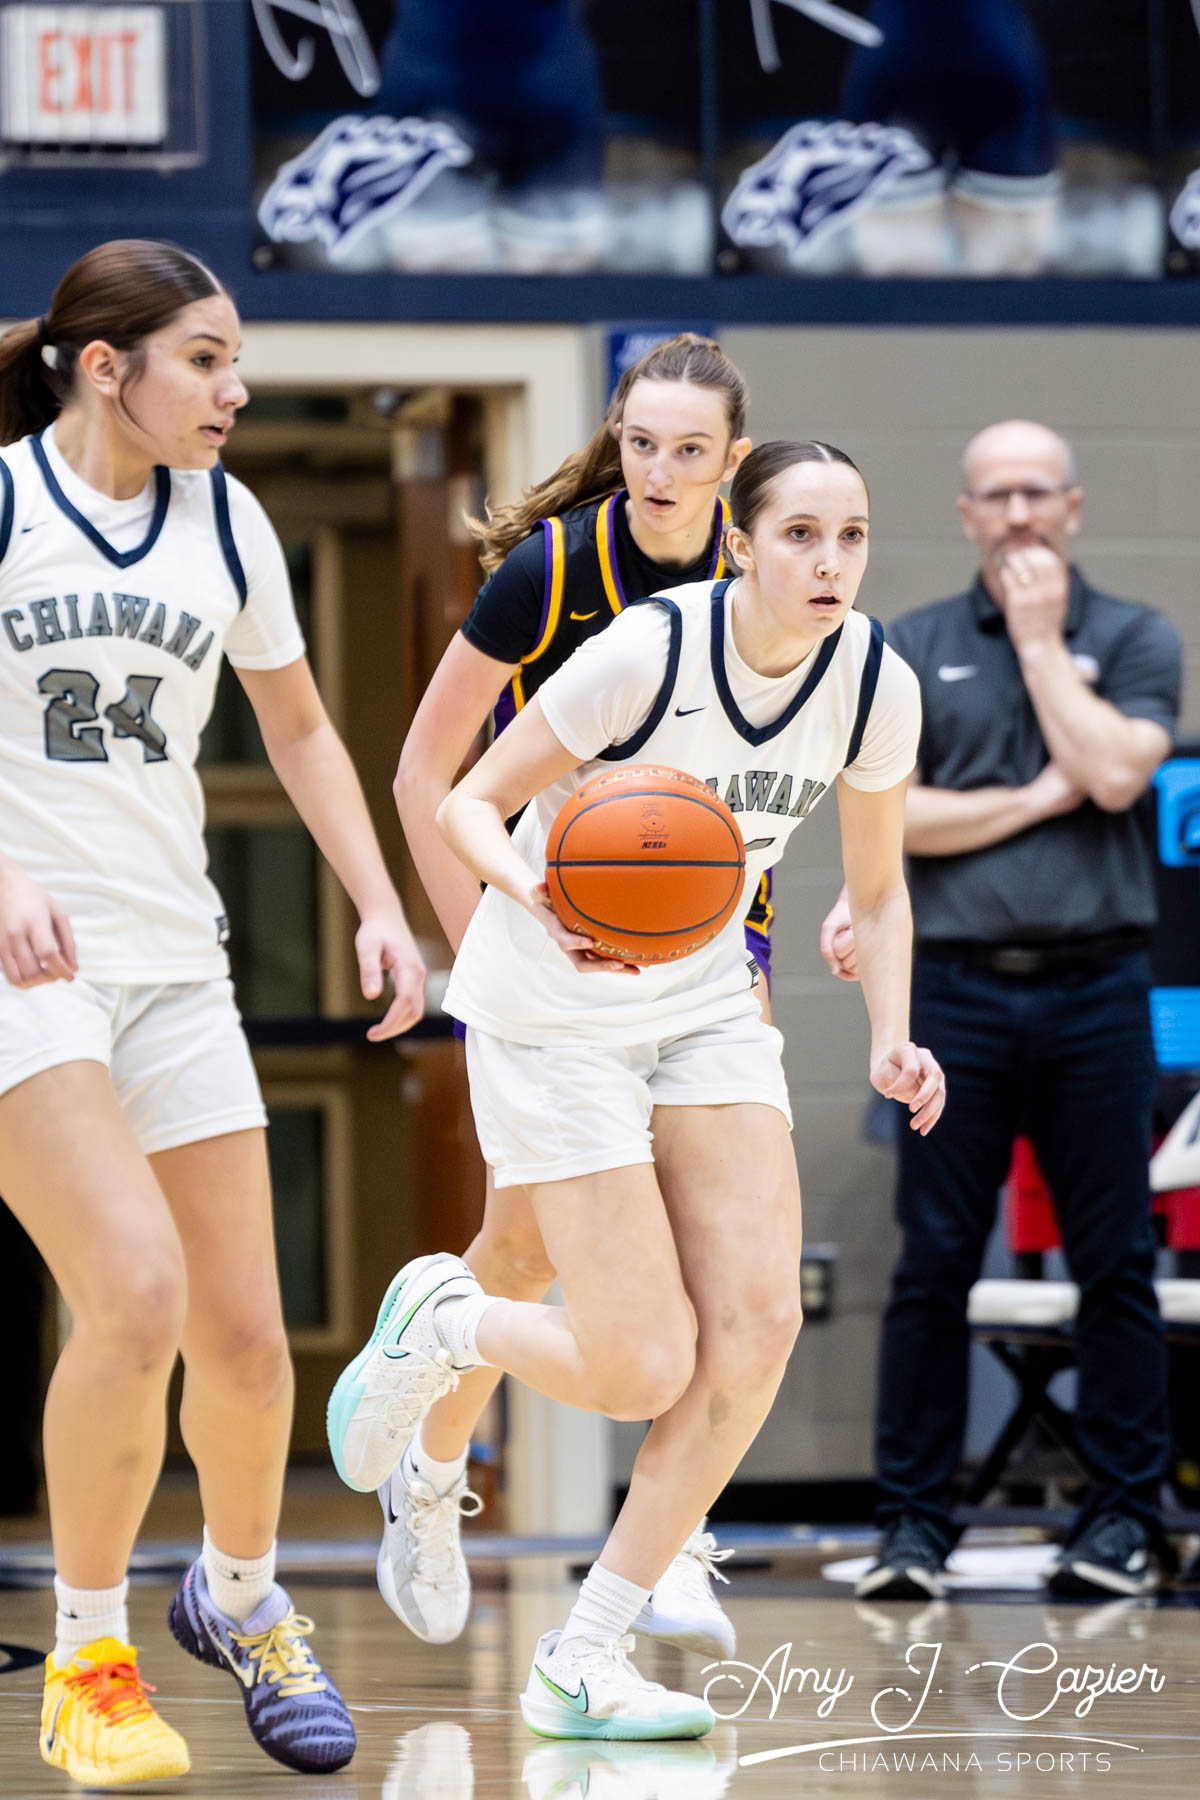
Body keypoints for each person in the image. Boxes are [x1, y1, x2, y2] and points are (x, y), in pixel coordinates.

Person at [330, 437, 943, 1738]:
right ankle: (448, 1324)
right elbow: (467, 803)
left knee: (757, 1330)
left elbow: (880, 892)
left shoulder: (873, 681)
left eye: (851, 535)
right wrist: (539, 897)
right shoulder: (649, 650)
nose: (829, 562)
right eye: (800, 535)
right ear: (741, 544)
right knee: (639, 1364)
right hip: (554, 1002)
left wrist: (894, 1033)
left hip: (706, 1000)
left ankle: (582, 1658)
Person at [0, 239, 426, 1787]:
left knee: (245, 1340)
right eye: (207, 358)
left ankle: (240, 1598)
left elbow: (300, 732)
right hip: (22, 964)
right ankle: (87, 1662)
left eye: (238, 360)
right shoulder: (5, 504)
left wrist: (380, 901)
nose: (236, 388)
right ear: (104, 366)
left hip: (178, 958)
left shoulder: (228, 519)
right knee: (133, 1293)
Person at [386, 335, 760, 1657]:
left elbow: (751, 794)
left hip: (709, 966)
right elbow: (426, 774)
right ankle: (428, 1478)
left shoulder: (755, 579)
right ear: (617, 438)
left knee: (718, 1269)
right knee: (523, 1258)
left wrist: (778, 949)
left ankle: (674, 1535)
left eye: (690, 451)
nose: (660, 471)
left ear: (733, 462)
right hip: (553, 958)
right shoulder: (553, 572)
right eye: (641, 443)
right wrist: (484, 964)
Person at [824, 420, 1180, 1601]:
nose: (1018, 513)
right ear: (967, 514)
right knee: (931, 1263)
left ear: (1072, 506)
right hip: (956, 993)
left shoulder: (1134, 634)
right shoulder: (912, 645)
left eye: (1036, 493)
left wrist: (1037, 643)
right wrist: (1037, 795)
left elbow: (1119, 773)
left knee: (1115, 1263)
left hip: (1097, 990)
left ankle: (1121, 1524)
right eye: (996, 495)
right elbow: (895, 818)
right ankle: (912, 1531)